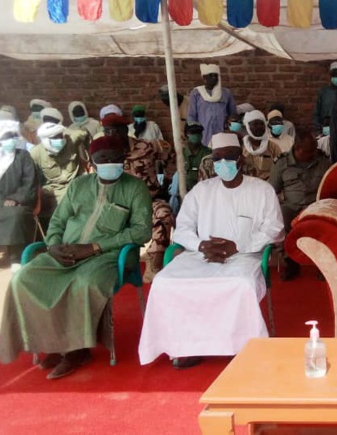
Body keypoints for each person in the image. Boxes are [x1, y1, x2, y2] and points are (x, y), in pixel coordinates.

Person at [0, 136, 152, 379]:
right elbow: (58, 220)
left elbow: (142, 230)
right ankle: (54, 343)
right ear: (92, 161)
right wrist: (54, 245)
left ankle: (78, 350)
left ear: (124, 160)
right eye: (104, 159)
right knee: (23, 280)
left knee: (84, 284)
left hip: (109, 255)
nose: (111, 163)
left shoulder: (135, 187)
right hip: (65, 250)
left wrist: (94, 248)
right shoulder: (79, 185)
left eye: (116, 159)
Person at [138, 132, 284, 369]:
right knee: (165, 281)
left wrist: (239, 246)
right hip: (200, 254)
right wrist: (201, 245)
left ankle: (239, 346)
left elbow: (275, 229)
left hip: (244, 256)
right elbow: (183, 227)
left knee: (239, 284)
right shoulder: (201, 190)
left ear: (240, 160)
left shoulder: (261, 190)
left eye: (228, 157)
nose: (223, 163)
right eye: (217, 158)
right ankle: (186, 345)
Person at [102, 110, 174, 283]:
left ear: (125, 131)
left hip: (150, 200)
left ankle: (155, 263)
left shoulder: (147, 147)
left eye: (116, 130)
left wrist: (168, 180)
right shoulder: (105, 153)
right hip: (120, 206)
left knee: (164, 214)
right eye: (107, 131)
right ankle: (110, 264)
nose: (112, 135)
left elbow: (170, 153)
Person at [269, 127, 332, 280]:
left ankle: (321, 264)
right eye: (309, 151)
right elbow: (271, 190)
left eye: (314, 150)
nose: (313, 155)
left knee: (329, 221)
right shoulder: (282, 164)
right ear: (297, 149)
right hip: (292, 207)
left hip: (316, 207)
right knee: (279, 219)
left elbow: (331, 185)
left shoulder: (322, 162)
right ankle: (290, 262)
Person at [0, 119, 37, 266]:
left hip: (18, 203)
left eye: (13, 137)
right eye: (7, 138)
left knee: (15, 215)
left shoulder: (23, 156)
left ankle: (16, 258)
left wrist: (15, 198)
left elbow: (29, 183)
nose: (11, 140)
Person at [32, 122, 87, 222]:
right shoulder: (36, 153)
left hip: (77, 184)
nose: (60, 140)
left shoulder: (71, 140)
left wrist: (89, 158)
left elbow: (84, 133)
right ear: (45, 140)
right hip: (54, 190)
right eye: (55, 138)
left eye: (61, 136)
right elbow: (32, 180)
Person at [188, 63, 237, 146]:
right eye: (211, 75)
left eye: (216, 75)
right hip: (203, 134)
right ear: (204, 77)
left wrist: (230, 122)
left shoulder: (226, 93)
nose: (214, 78)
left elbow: (233, 113)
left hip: (222, 133)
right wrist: (194, 133)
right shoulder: (196, 93)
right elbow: (191, 115)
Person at [241, 110, 286, 181]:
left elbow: (281, 168)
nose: (259, 127)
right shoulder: (241, 146)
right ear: (248, 126)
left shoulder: (273, 147)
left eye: (261, 124)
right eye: (255, 124)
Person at [313, 61, 337, 135]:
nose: (336, 76)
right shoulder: (323, 92)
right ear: (330, 75)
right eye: (334, 74)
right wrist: (318, 130)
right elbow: (316, 113)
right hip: (326, 131)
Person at [181, 123, 211, 192]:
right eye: (193, 133)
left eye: (198, 132)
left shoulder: (208, 153)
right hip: (183, 192)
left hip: (203, 191)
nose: (196, 135)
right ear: (186, 134)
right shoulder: (180, 154)